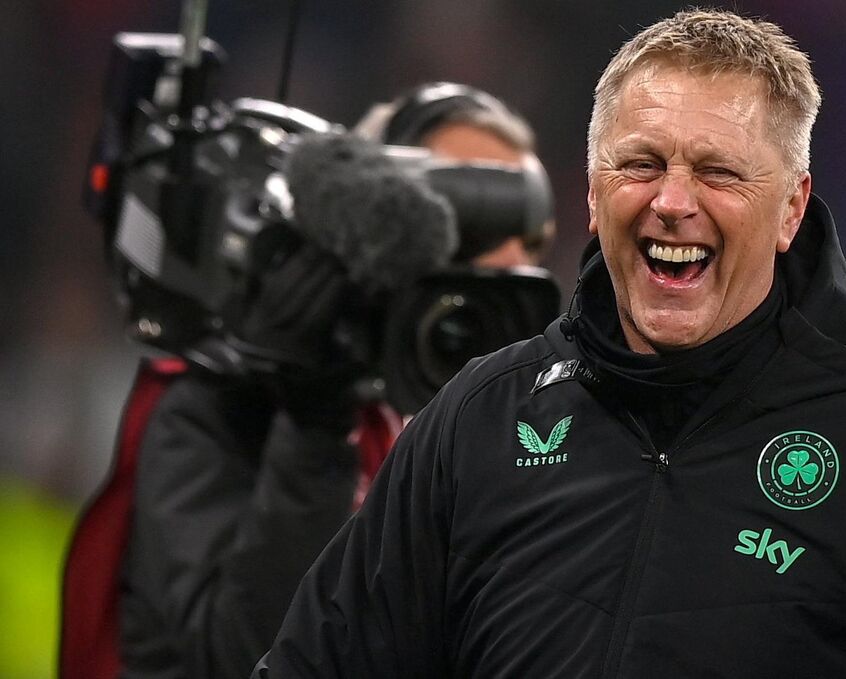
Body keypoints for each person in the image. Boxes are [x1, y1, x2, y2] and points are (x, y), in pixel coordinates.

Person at [255, 10, 846, 678]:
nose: (673, 201)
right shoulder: (477, 422)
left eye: (719, 172)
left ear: (791, 208)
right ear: (594, 193)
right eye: (641, 164)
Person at [58, 82, 551, 679]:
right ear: (367, 226)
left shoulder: (501, 434)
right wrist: (315, 426)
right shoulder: (220, 403)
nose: (503, 258)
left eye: (524, 235)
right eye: (461, 217)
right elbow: (244, 660)